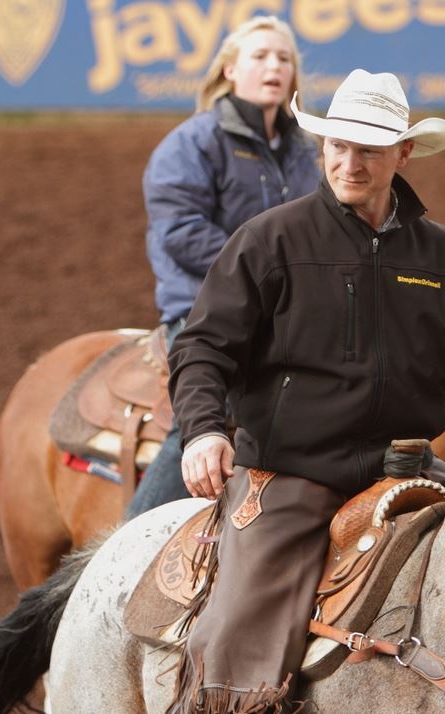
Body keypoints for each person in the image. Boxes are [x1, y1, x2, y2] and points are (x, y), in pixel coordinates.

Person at [167, 69, 445, 712]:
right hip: (291, 473)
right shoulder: (271, 241)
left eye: (370, 149)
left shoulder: (444, 254)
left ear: (404, 153)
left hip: (408, 465)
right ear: (323, 147)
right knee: (238, 648)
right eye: (339, 146)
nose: (350, 163)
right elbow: (202, 347)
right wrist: (205, 431)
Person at [125, 16, 321, 519]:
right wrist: (273, 273)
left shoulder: (305, 149)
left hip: (289, 313)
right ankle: (127, 544)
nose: (274, 66)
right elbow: (179, 232)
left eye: (284, 58)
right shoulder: (191, 143)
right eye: (260, 56)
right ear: (230, 71)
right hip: (203, 313)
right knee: (210, 410)